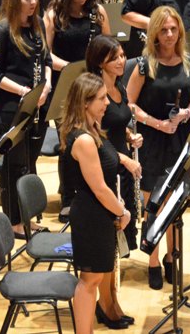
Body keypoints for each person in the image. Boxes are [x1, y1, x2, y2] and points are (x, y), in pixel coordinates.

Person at [126, 6, 190, 290]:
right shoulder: (145, 64)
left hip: (178, 138)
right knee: (153, 205)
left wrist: (186, 114)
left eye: (173, 29)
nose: (169, 35)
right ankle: (153, 261)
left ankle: (172, 257)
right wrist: (156, 123)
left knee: (175, 205)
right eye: (164, 30)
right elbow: (129, 104)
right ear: (154, 33)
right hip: (152, 139)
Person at [60, 72, 132, 334]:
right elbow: (99, 189)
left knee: (96, 276)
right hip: (91, 217)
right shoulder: (84, 140)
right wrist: (122, 212)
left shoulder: (93, 131)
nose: (107, 103)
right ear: (85, 103)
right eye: (102, 99)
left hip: (100, 214)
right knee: (89, 280)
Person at [84, 35, 142, 328]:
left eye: (122, 55)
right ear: (100, 61)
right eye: (115, 57)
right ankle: (105, 306)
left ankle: (112, 302)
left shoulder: (119, 86)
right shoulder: (92, 91)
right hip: (105, 171)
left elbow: (118, 125)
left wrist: (130, 137)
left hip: (121, 171)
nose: (122, 61)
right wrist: (123, 158)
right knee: (107, 247)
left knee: (116, 246)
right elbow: (95, 138)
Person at [44, 0, 110, 219]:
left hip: (93, 87)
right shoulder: (53, 15)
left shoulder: (97, 12)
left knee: (95, 137)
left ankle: (95, 191)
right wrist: (72, 68)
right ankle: (68, 198)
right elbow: (46, 54)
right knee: (68, 142)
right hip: (66, 87)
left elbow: (108, 46)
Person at [0, 0, 52, 238]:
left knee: (28, 163)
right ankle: (14, 220)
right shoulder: (3, 29)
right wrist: (24, 92)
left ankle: (25, 217)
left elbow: (47, 60)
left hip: (38, 103)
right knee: (14, 165)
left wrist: (47, 85)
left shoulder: (37, 24)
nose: (33, 1)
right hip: (12, 106)